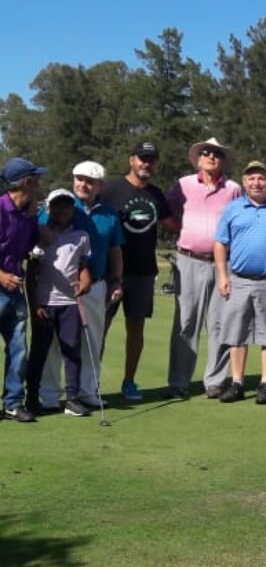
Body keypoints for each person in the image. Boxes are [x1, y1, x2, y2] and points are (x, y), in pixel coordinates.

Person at [38, 161, 124, 411]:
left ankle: (87, 392)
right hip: (57, 289)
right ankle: (50, 395)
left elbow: (115, 249)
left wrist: (116, 281)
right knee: (54, 343)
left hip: (95, 284)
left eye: (90, 181)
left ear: (100, 185)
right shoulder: (59, 204)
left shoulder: (108, 213)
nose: (83, 184)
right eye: (79, 179)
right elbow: (40, 234)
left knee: (91, 340)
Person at [166, 138, 240, 399]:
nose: (211, 157)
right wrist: (187, 231)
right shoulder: (183, 185)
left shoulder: (233, 189)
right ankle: (178, 382)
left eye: (217, 154)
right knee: (186, 323)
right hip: (188, 260)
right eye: (206, 153)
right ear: (198, 159)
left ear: (222, 161)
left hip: (222, 263)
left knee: (220, 323)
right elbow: (168, 214)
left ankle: (215, 381)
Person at [103, 142, 177, 401]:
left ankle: (129, 382)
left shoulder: (156, 195)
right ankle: (90, 383)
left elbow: (173, 224)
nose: (146, 163)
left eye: (151, 159)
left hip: (144, 272)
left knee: (136, 329)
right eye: (142, 158)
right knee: (100, 327)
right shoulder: (110, 189)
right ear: (131, 160)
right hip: (111, 272)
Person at [213, 160, 266, 404]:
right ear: (244, 182)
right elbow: (220, 243)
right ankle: (237, 383)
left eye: (261, 178)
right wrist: (223, 275)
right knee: (236, 334)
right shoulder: (233, 208)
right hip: (239, 280)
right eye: (251, 179)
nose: (256, 183)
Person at [25, 189, 92, 417]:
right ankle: (32, 398)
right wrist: (35, 305)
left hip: (70, 303)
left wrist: (85, 280)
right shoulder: (39, 235)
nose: (62, 210)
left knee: (72, 351)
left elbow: (82, 264)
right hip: (45, 303)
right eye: (57, 205)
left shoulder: (81, 235)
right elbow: (31, 273)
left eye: (67, 206)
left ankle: (72, 399)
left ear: (72, 209)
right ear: (49, 208)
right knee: (39, 353)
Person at [0, 158, 47, 422]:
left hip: (15, 290)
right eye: (36, 179)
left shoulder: (26, 214)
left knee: (18, 348)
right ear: (27, 182)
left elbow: (29, 246)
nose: (39, 183)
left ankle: (12, 403)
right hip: (2, 285)